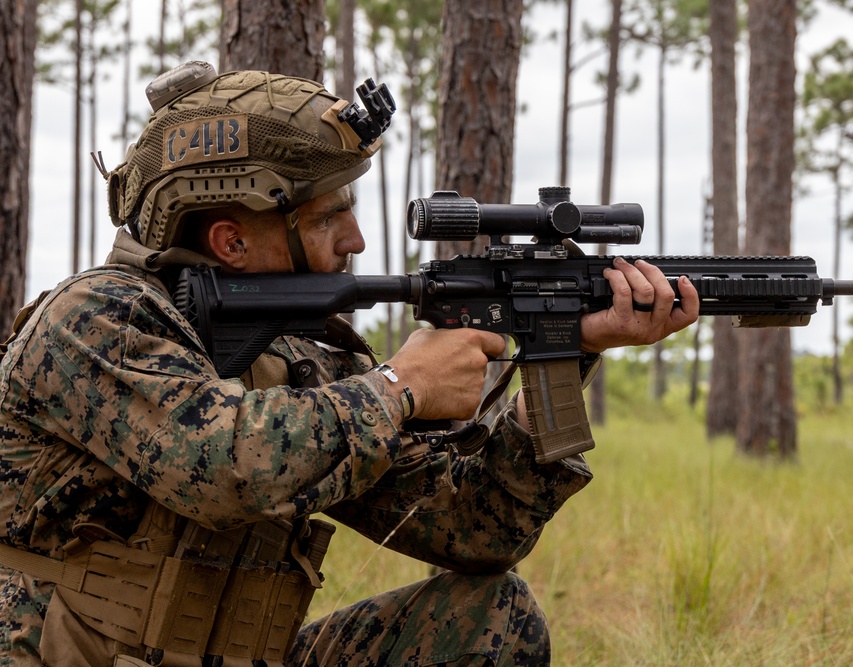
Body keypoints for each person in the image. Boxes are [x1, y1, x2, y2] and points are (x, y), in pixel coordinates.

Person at [0, 62, 699, 667]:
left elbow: (473, 529)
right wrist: (400, 387)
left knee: (489, 614)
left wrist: (566, 351)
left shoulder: (300, 362)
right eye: (329, 216)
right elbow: (217, 463)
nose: (356, 240)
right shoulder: (94, 320)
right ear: (232, 241)